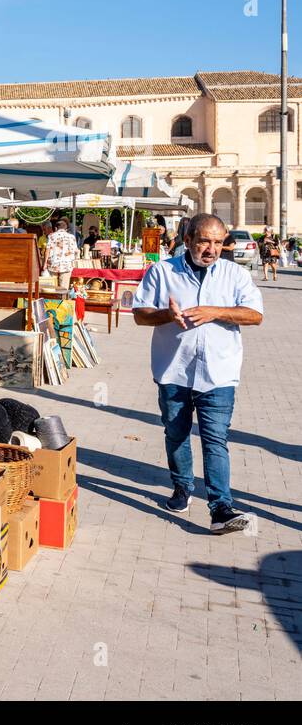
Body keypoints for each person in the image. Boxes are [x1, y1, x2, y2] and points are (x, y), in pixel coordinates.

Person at [132, 213, 263, 534]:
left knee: (216, 439)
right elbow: (140, 314)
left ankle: (220, 507)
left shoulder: (234, 275)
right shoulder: (162, 271)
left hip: (219, 372)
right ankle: (181, 488)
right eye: (204, 240)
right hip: (173, 370)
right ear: (187, 239)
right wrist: (166, 315)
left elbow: (255, 314)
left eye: (218, 242)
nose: (211, 249)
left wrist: (215, 311)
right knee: (176, 435)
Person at [44, 219, 79, 289]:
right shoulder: (72, 237)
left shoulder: (51, 236)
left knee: (52, 288)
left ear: (56, 228)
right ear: (66, 228)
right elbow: (76, 251)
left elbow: (47, 250)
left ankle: (53, 299)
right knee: (64, 288)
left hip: (53, 264)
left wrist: (45, 263)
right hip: (67, 265)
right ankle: (63, 299)